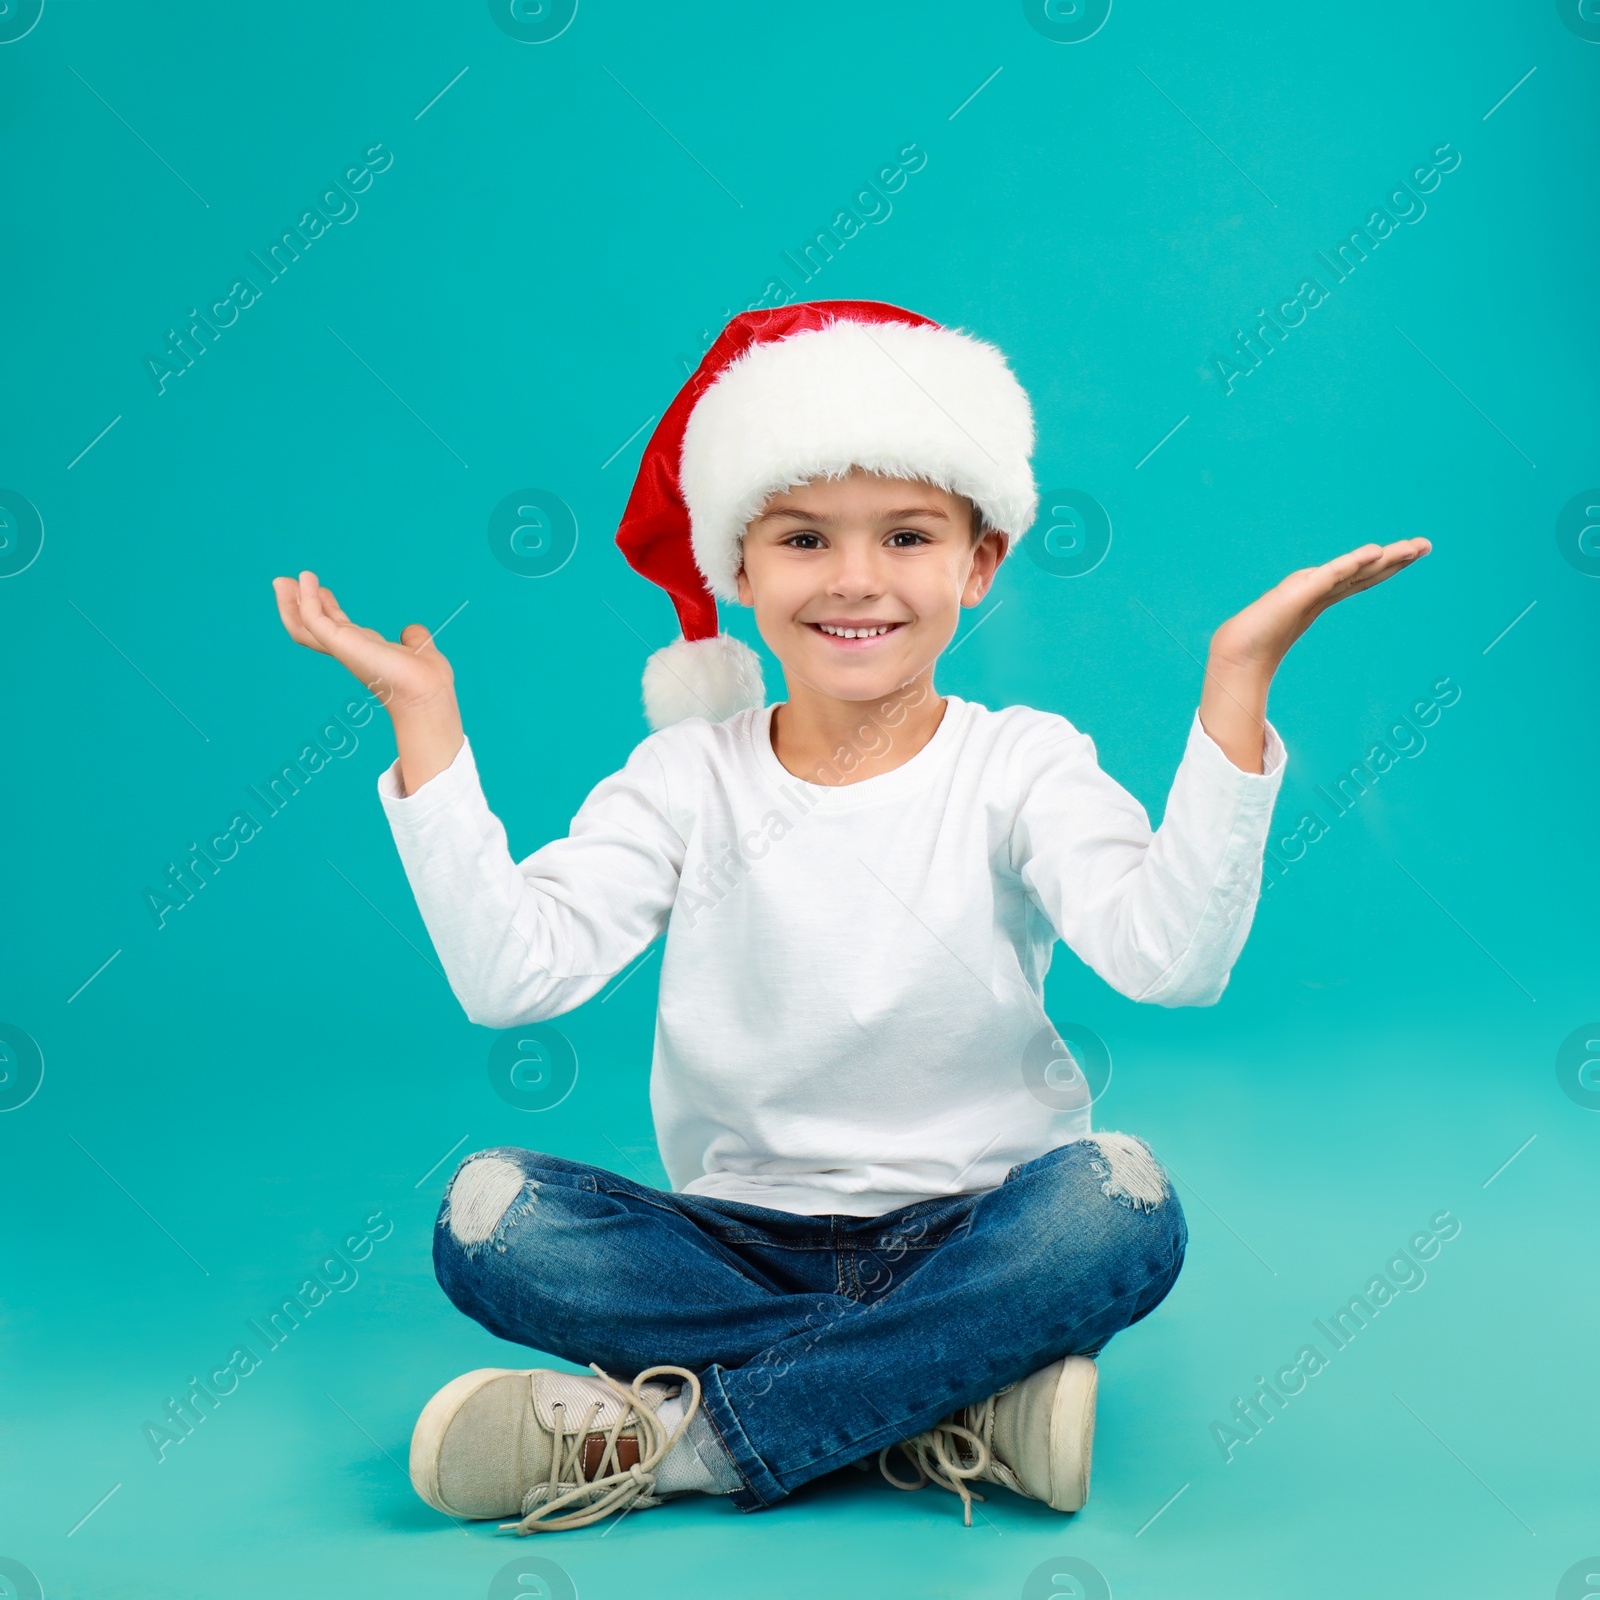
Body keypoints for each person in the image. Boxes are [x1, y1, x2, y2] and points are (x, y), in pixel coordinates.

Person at [272, 299, 1429, 1535]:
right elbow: (515, 979)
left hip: (973, 1232)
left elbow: (1171, 961)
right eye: (805, 538)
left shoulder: (1022, 762)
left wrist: (1236, 678)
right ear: (741, 569)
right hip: (727, 1244)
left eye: (909, 534)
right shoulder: (683, 779)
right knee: (491, 1213)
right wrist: (428, 733)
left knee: (1118, 1204)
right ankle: (945, 1401)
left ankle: (685, 1443)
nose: (857, 580)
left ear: (978, 562)